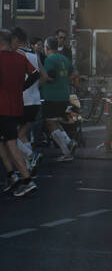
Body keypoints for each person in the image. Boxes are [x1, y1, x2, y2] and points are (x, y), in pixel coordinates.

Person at [0, 29, 40, 194]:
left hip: (2, 106)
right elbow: (35, 74)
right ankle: (11, 174)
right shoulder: (19, 57)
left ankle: (27, 179)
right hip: (16, 105)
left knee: (11, 143)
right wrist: (21, 87)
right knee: (5, 141)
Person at [39, 34, 76, 163]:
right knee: (56, 122)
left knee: (50, 123)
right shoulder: (64, 58)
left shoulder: (49, 60)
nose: (44, 49)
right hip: (64, 95)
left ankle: (67, 150)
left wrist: (39, 81)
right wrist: (64, 80)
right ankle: (69, 142)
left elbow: (50, 76)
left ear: (47, 47)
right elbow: (75, 73)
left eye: (44, 46)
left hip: (52, 96)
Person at [11, 27, 42, 176]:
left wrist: (21, 88)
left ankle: (31, 156)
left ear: (16, 40)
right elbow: (41, 75)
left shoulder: (19, 54)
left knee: (10, 135)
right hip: (35, 99)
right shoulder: (34, 54)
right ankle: (29, 165)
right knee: (22, 134)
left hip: (24, 100)